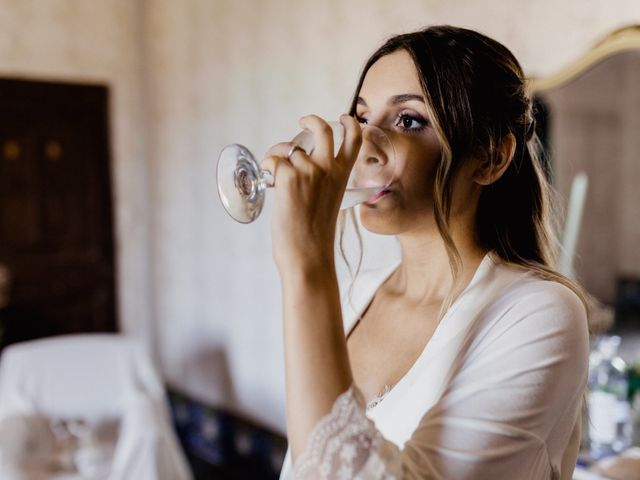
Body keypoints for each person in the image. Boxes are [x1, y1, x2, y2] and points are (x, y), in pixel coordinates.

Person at [261, 25, 589, 479]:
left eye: (409, 120)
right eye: (361, 120)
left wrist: (305, 264)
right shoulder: (360, 292)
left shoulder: (539, 315)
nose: (364, 150)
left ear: (491, 157)